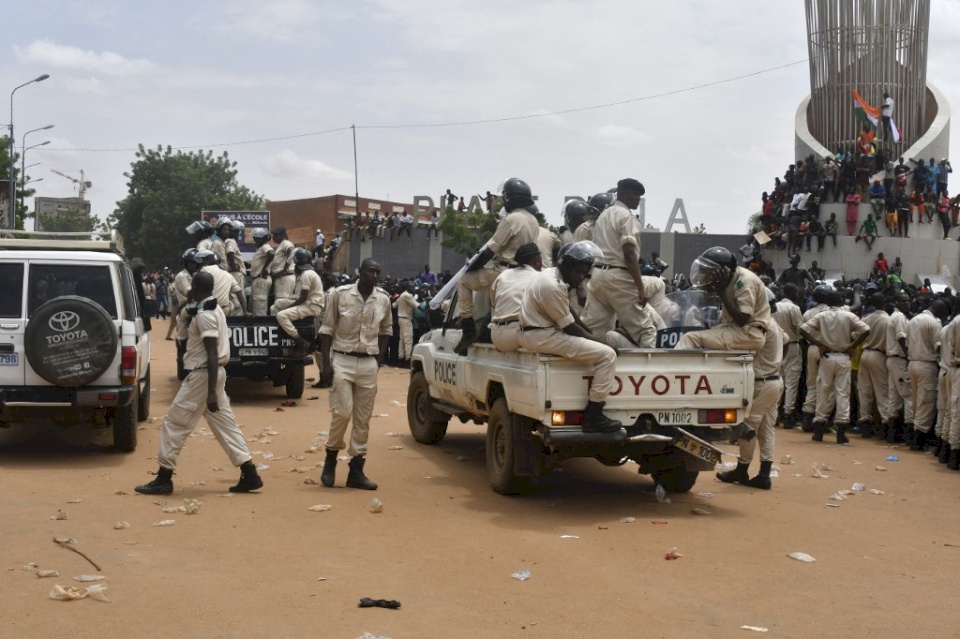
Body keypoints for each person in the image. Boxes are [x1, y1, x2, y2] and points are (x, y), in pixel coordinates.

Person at [134, 271, 262, 495]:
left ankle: (164, 477)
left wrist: (211, 391)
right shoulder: (214, 309)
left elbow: (211, 353)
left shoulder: (205, 315)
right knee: (225, 425)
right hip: (212, 375)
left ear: (195, 287)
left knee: (174, 424)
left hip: (203, 377)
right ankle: (249, 472)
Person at [518, 241, 621, 432]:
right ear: (566, 267)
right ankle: (594, 416)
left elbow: (569, 314)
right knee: (607, 356)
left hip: (538, 332)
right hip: (542, 335)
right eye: (577, 272)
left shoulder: (551, 276)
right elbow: (570, 328)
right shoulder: (552, 286)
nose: (581, 277)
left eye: (584, 272)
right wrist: (600, 342)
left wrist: (591, 336)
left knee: (600, 347)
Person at [317, 259, 393, 490]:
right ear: (359, 272)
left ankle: (356, 471)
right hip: (342, 360)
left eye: (378, 271)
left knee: (363, 419)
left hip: (368, 362)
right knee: (342, 413)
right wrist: (326, 365)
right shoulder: (340, 295)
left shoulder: (383, 299)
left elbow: (386, 331)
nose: (375, 275)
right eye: (371, 271)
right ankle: (330, 461)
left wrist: (378, 361)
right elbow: (327, 329)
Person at [454, 178, 540, 355]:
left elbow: (490, 251)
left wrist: (472, 266)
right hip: (525, 271)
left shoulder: (510, 219)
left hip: (503, 270)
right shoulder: (533, 220)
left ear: (510, 198)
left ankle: (468, 329)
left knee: (463, 281)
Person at [581, 179, 657, 347]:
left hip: (598, 275)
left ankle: (576, 369)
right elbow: (629, 253)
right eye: (634, 194)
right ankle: (648, 370)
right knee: (646, 330)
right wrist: (640, 287)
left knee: (590, 330)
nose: (638, 199)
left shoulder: (603, 216)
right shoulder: (626, 216)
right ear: (622, 193)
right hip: (618, 276)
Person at [717, 311, 785, 489]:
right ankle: (764, 473)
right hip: (775, 380)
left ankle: (742, 469)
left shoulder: (760, 325)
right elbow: (784, 339)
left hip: (761, 382)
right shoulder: (774, 324)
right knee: (767, 428)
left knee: (748, 426)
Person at [800, 290, 871, 444]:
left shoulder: (821, 315)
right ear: (840, 302)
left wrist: (818, 343)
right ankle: (841, 433)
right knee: (842, 393)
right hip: (844, 357)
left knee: (823, 390)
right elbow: (866, 330)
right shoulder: (848, 316)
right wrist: (853, 346)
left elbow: (803, 329)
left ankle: (818, 430)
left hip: (826, 357)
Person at [676, 246, 770, 352]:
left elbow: (742, 319)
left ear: (722, 273)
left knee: (690, 338)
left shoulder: (744, 282)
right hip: (735, 330)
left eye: (709, 272)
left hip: (748, 333)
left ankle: (672, 368)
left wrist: (722, 293)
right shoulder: (731, 279)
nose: (706, 276)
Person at [906, 300, 949, 452]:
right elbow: (939, 347)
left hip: (912, 363)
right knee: (926, 402)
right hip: (927, 365)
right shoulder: (934, 323)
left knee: (916, 401)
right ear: (939, 310)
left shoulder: (913, 320)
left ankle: (912, 437)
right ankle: (918, 442)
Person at [489, 243, 542, 352]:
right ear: (537, 259)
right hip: (516, 334)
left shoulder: (503, 275)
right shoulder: (540, 277)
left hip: (495, 336)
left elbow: (493, 304)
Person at [275, 248, 324, 355]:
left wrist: (288, 308)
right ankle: (284, 331)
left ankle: (300, 341)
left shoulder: (306, 274)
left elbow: (303, 298)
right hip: (307, 304)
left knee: (281, 315)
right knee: (277, 304)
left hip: (311, 306)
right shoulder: (307, 273)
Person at [857, 292, 891, 438]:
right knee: (882, 391)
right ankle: (885, 424)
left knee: (865, 391)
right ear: (885, 303)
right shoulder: (888, 320)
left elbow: (857, 334)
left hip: (865, 354)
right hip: (879, 355)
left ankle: (865, 423)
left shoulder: (868, 318)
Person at [773, 283, 803, 427]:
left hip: (776, 346)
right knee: (791, 382)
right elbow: (799, 328)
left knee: (778, 380)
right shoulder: (794, 308)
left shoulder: (774, 306)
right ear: (791, 293)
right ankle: (788, 414)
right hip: (791, 345)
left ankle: (775, 413)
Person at [885, 292, 912, 443]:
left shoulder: (895, 316)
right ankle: (908, 436)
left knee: (894, 397)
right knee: (908, 396)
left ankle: (891, 435)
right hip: (899, 359)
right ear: (896, 302)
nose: (907, 303)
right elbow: (902, 337)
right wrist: (909, 356)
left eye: (908, 300)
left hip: (893, 359)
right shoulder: (900, 317)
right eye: (903, 301)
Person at [196, 250, 248, 316]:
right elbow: (239, 293)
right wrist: (245, 312)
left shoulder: (205, 269)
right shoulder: (228, 275)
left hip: (207, 310)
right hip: (223, 311)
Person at [167, 249, 197, 341]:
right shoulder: (182, 276)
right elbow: (189, 293)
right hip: (185, 306)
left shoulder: (195, 275)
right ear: (186, 263)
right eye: (191, 263)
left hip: (195, 305)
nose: (193, 265)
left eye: (195, 262)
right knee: (183, 339)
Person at [267, 227, 296, 312]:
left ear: (283, 235)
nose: (273, 237)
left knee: (281, 305)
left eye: (275, 235)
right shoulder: (281, 245)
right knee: (279, 305)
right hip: (282, 278)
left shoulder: (285, 243)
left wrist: (284, 269)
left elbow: (292, 252)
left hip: (285, 277)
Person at [249, 228, 273, 316]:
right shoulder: (260, 249)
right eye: (255, 238)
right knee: (254, 308)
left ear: (263, 239)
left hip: (261, 280)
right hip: (259, 280)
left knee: (259, 310)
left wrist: (264, 269)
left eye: (258, 239)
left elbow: (272, 253)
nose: (255, 240)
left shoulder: (265, 246)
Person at [392, 283, 417, 367]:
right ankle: (407, 360)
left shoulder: (402, 295)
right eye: (411, 286)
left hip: (400, 319)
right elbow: (417, 305)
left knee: (402, 340)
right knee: (408, 340)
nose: (413, 288)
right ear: (407, 288)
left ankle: (400, 359)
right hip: (406, 319)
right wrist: (425, 312)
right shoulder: (408, 296)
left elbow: (394, 305)